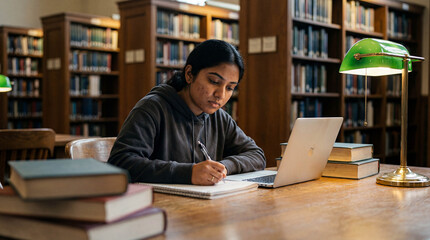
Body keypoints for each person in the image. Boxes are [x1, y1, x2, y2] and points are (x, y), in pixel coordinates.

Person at [108, 39, 266, 185]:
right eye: (214, 82)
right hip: (159, 206)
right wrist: (187, 173)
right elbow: (120, 163)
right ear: (189, 74)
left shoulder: (220, 118)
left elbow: (256, 154)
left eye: (230, 88)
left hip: (202, 206)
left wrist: (223, 167)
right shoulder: (152, 109)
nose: (221, 94)